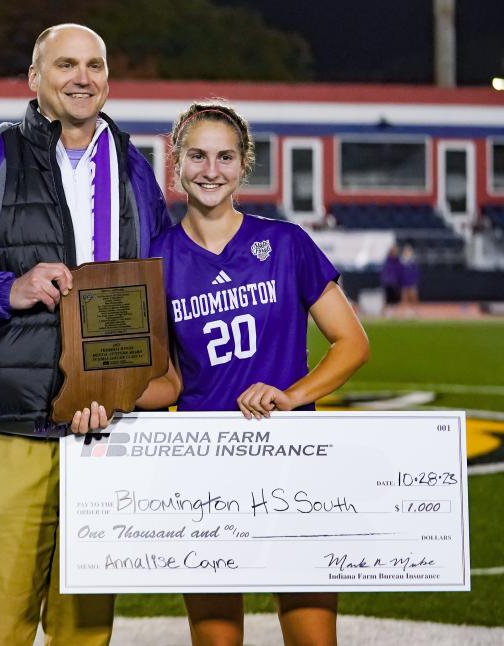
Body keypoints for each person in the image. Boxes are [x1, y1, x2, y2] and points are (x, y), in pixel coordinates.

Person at [0, 23, 176, 646]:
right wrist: (8, 289)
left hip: (107, 434)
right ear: (34, 79)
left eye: (94, 66)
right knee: (0, 628)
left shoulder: (135, 171)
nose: (81, 77)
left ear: (108, 80)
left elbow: (160, 293)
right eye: (65, 65)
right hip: (11, 433)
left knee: (85, 633)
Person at [152, 101, 370, 646]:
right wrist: (105, 398)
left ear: (243, 164)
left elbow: (352, 344)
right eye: (197, 156)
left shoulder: (288, 243)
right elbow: (169, 379)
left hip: (291, 464)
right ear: (175, 162)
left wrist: (292, 397)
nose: (211, 170)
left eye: (225, 157)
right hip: (204, 466)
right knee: (217, 641)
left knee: (313, 637)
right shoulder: (154, 261)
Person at [381, 244, 402, 315]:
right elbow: (386, 272)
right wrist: (389, 280)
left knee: (395, 300)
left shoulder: (398, 261)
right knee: (387, 300)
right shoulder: (388, 260)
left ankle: (393, 313)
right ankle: (383, 313)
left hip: (395, 283)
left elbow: (399, 272)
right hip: (389, 283)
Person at [399, 243, 420, 309]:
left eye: (409, 251)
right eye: (406, 251)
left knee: (413, 295)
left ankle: (415, 309)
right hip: (404, 281)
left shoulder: (413, 260)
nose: (407, 252)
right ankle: (405, 310)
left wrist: (415, 280)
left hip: (411, 281)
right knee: (404, 296)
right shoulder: (401, 260)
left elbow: (416, 271)